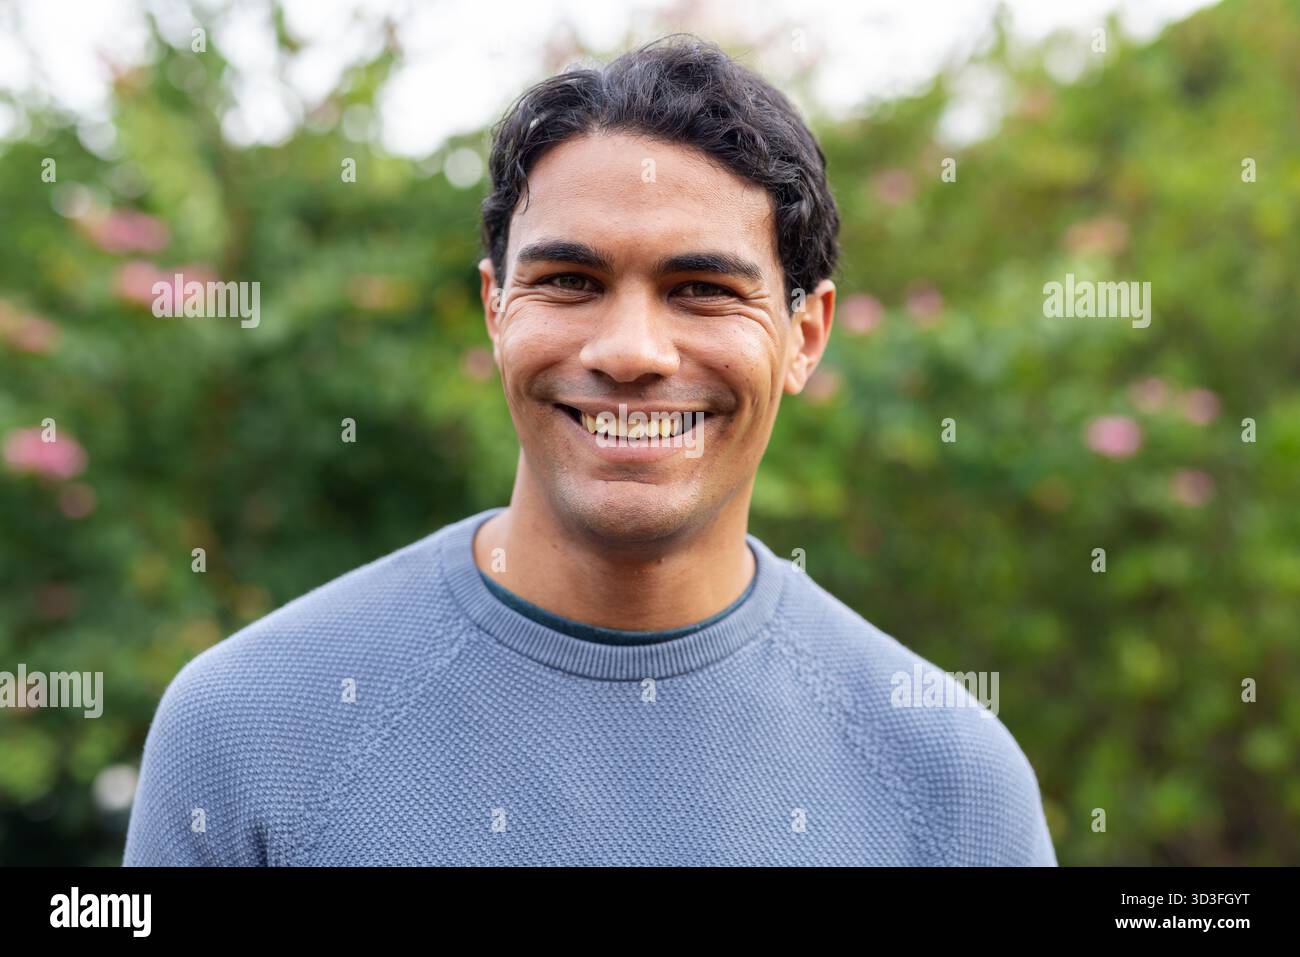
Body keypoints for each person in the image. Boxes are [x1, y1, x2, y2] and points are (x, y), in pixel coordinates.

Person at [124, 34, 1056, 866]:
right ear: (496, 310)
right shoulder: (248, 728)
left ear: (804, 335)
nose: (630, 353)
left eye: (701, 289)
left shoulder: (952, 786)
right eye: (570, 280)